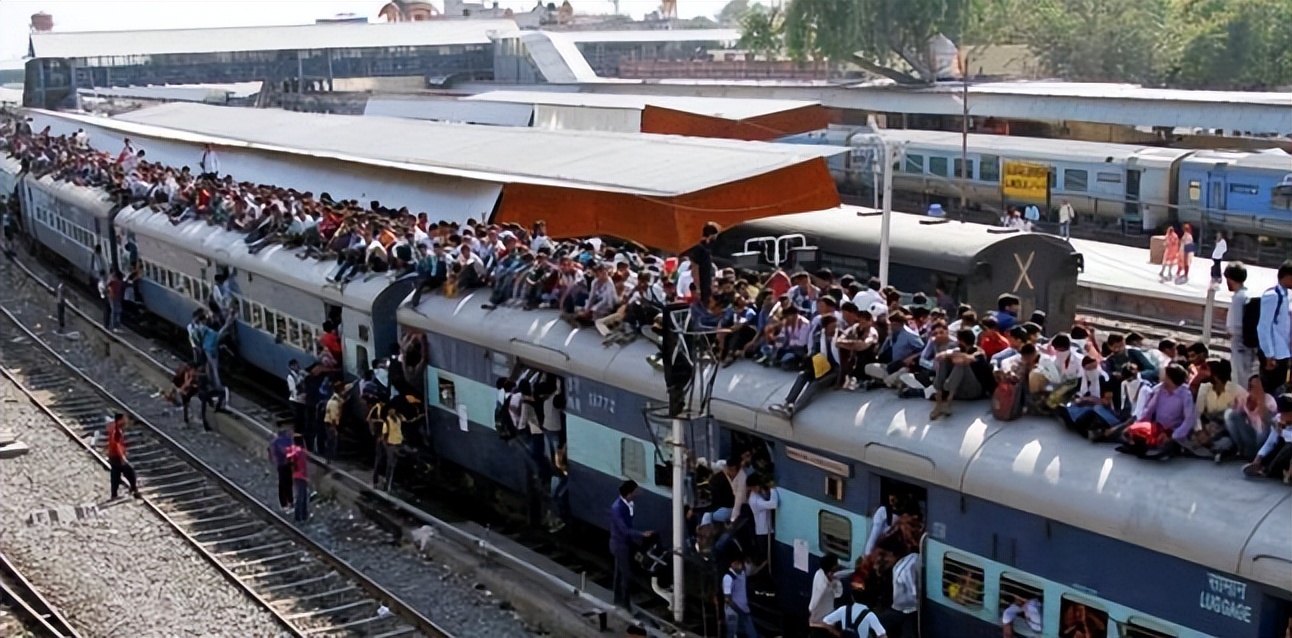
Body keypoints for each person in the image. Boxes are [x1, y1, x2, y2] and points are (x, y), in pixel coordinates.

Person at [609, 480, 653, 608]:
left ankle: (617, 598)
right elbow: (624, 529)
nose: (636, 493)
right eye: (635, 491)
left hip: (623, 543)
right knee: (626, 574)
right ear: (629, 494)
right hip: (619, 544)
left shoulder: (628, 504)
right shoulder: (617, 508)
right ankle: (625, 603)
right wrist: (642, 535)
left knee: (619, 572)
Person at [1256, 260, 1292, 395]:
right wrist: (1269, 354)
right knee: (1269, 392)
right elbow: (1264, 326)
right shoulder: (1272, 296)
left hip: (1282, 352)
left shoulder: (1286, 296)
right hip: (1273, 354)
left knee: (1279, 391)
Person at [1243, 394, 1292, 483]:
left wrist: (1282, 432)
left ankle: (1269, 470)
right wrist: (1259, 457)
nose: (1281, 416)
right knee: (1273, 448)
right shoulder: (1279, 419)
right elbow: (1271, 442)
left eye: (1284, 414)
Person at [1225, 263, 1255, 387]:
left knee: (1239, 377)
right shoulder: (1246, 295)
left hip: (1239, 342)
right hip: (1246, 343)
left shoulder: (1239, 298)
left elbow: (1236, 324)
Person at [823, 588, 888, 638]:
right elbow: (882, 635)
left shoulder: (843, 609)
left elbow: (826, 622)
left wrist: (838, 634)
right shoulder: (870, 615)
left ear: (853, 598)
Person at [722, 555, 759, 638]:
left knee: (752, 634)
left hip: (744, 610)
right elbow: (727, 599)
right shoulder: (728, 577)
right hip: (733, 612)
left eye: (740, 563)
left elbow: (753, 571)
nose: (740, 565)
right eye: (737, 563)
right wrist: (739, 611)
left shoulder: (742, 573)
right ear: (732, 564)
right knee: (731, 634)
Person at [106, 413, 140, 500]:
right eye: (124, 419)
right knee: (130, 472)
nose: (125, 421)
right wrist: (122, 457)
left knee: (115, 475)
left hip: (112, 455)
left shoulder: (113, 427)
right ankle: (134, 489)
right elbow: (117, 445)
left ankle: (114, 494)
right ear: (120, 420)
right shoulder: (117, 431)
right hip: (117, 456)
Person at [269, 428, 293, 513]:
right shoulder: (278, 442)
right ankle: (284, 503)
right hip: (282, 464)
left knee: (288, 483)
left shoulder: (287, 440)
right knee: (283, 483)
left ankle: (289, 501)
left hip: (287, 464)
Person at [287, 432, 310, 522]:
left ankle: (302, 516)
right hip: (302, 476)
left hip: (297, 476)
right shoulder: (301, 451)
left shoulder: (293, 450)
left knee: (302, 496)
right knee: (301, 497)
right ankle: (300, 516)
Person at [287, 359, 307, 433]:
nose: (297, 367)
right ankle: (297, 436)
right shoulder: (290, 377)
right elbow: (294, 390)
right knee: (298, 420)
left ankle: (301, 434)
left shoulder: (301, 373)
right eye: (294, 365)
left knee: (302, 419)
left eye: (297, 365)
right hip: (296, 401)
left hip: (302, 401)